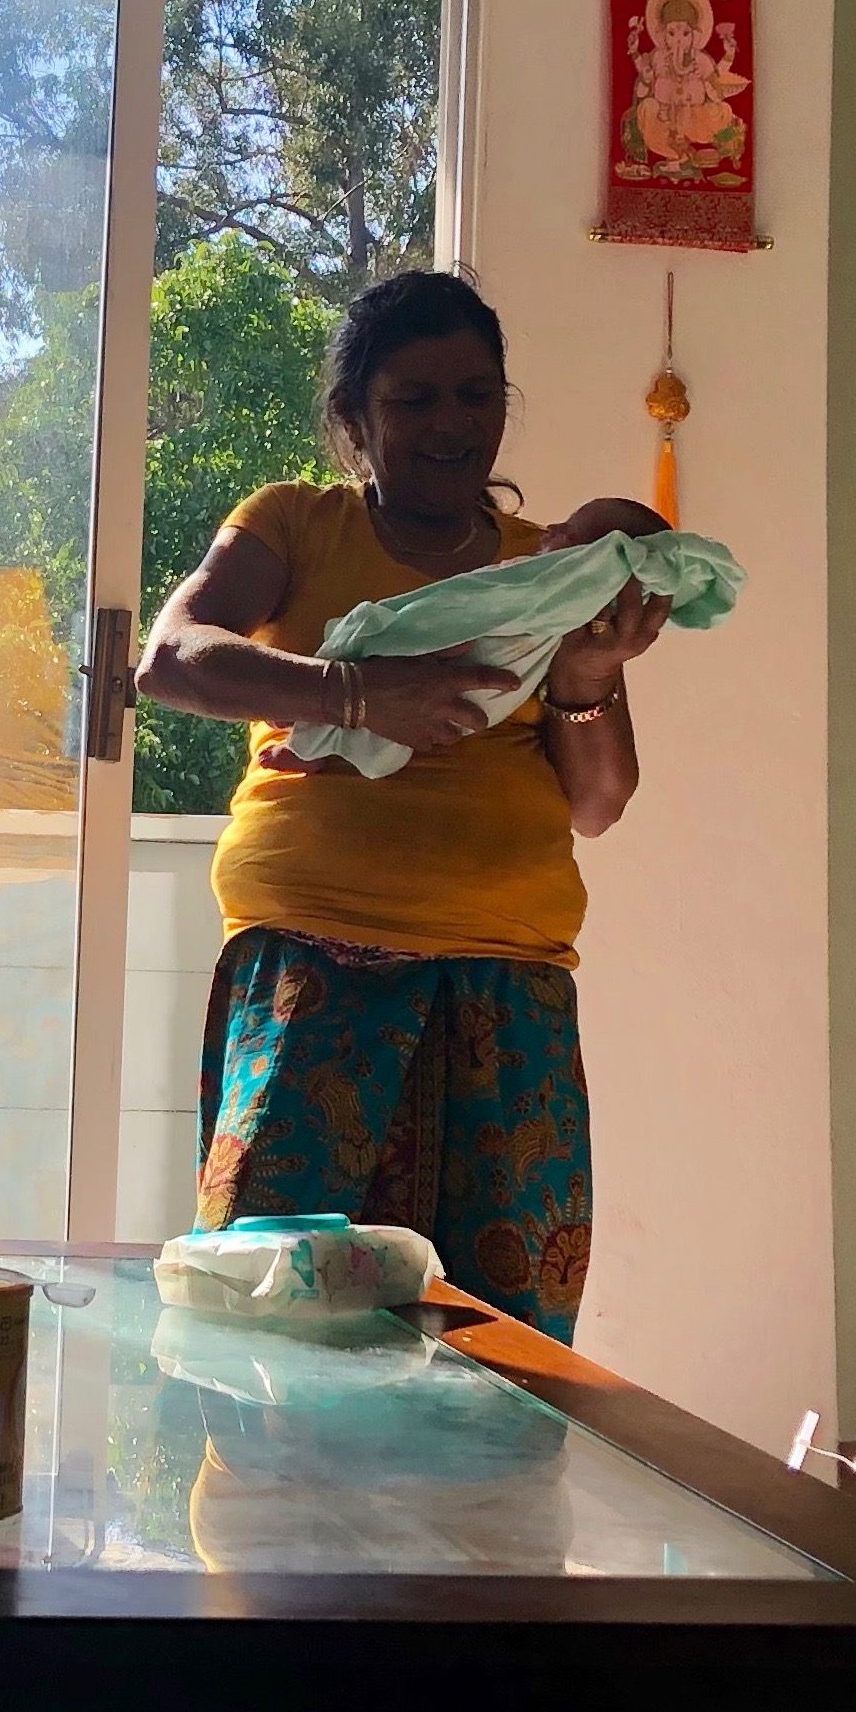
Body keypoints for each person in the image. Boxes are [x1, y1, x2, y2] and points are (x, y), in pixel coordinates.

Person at [133, 269, 668, 1341]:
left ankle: (490, 1469)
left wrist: (587, 675)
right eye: (412, 398)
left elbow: (600, 803)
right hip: (312, 969)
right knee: (279, 1319)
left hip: (505, 985)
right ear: (353, 418)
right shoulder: (293, 523)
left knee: (502, 1340)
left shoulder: (547, 569)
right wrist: (357, 695)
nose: (448, 424)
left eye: (475, 395)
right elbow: (171, 656)